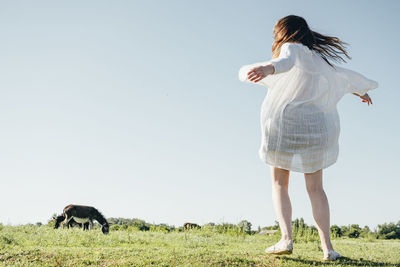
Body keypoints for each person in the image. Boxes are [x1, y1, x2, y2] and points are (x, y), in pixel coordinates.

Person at [238, 15, 378, 261]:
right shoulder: (320, 59)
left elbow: (285, 62)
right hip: (317, 129)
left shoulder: (291, 48)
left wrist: (267, 68)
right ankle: (328, 249)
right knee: (316, 188)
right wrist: (362, 92)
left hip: (286, 124)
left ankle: (286, 239)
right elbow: (341, 77)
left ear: (285, 32)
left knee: (280, 184)